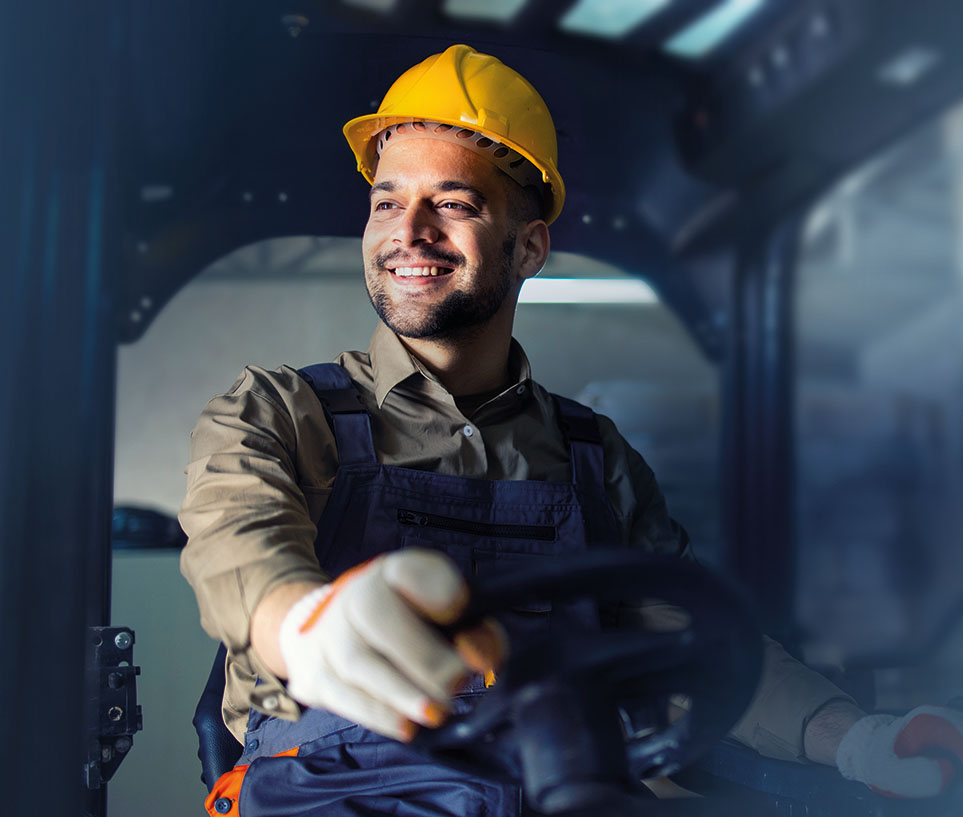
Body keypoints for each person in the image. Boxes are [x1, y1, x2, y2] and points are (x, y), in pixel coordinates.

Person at [180, 44, 963, 817]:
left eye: (451, 203)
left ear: (528, 246)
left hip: (562, 790)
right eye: (387, 201)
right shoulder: (278, 413)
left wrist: (856, 738)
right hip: (341, 794)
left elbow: (704, 651)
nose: (407, 231)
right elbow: (241, 553)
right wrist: (313, 629)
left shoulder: (593, 460)